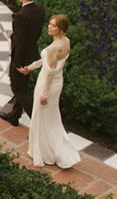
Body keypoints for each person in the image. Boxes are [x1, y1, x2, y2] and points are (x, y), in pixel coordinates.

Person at [19, 14, 80, 169]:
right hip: (57, 82)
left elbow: (50, 72)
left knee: (41, 116)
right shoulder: (66, 41)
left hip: (48, 83)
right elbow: (50, 63)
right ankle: (51, 148)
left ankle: (45, 152)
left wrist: (44, 94)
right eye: (50, 24)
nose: (50, 27)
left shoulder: (54, 48)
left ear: (61, 29)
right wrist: (32, 67)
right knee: (50, 117)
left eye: (54, 26)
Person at [0, 0, 45, 127]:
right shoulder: (40, 10)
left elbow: (20, 43)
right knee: (23, 88)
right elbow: (36, 34)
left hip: (21, 57)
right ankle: (14, 115)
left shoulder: (20, 16)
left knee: (17, 89)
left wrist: (17, 64)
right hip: (32, 54)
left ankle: (37, 122)